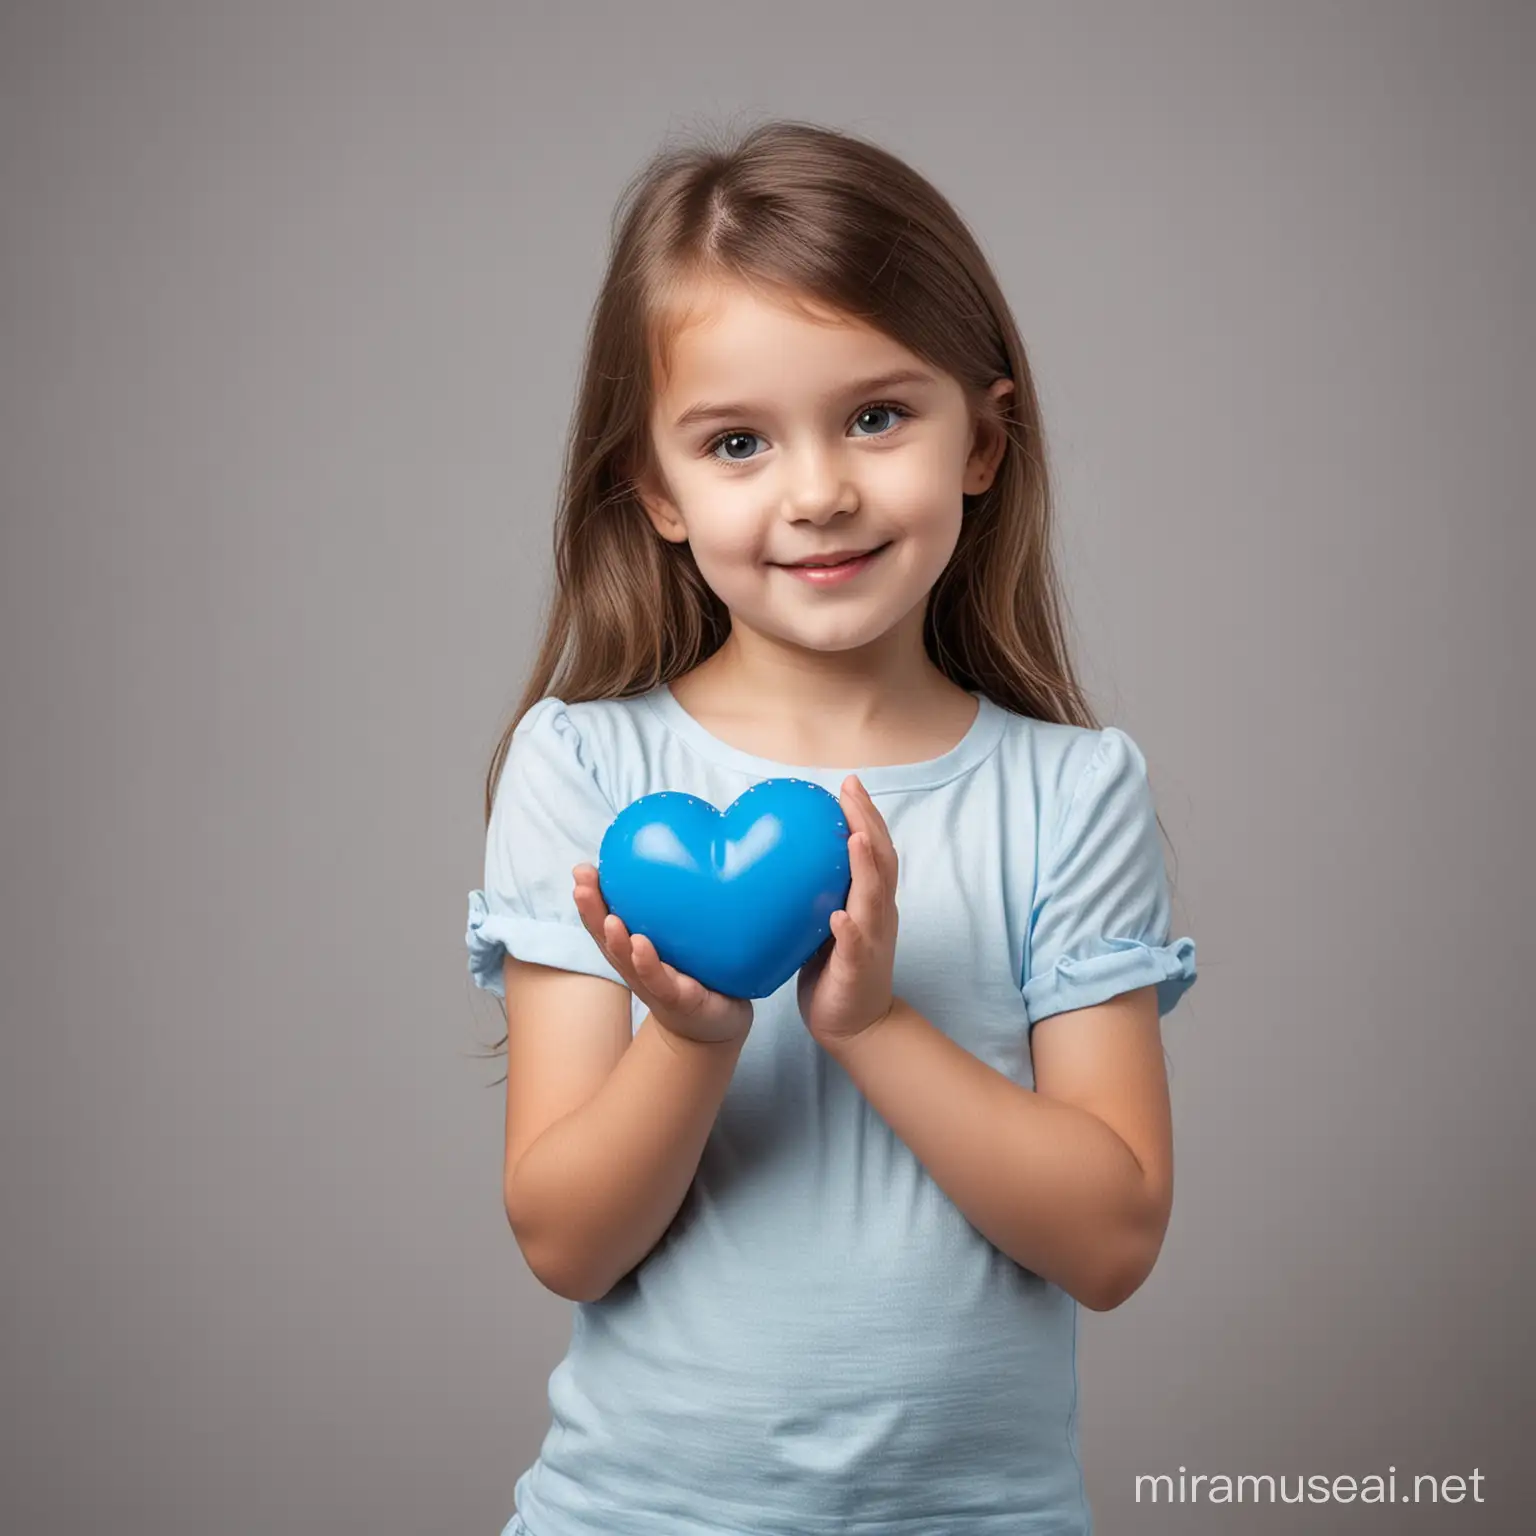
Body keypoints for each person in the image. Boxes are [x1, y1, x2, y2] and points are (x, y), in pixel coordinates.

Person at [465, 117, 1198, 1536]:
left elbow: (1111, 1242)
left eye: (876, 415)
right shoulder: (587, 769)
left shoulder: (1073, 791)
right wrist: (692, 1032)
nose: (818, 491)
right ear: (657, 492)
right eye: (737, 441)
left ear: (982, 440)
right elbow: (565, 1238)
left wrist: (871, 1022)